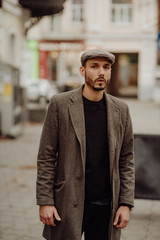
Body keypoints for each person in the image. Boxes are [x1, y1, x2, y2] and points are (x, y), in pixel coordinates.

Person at [36, 48, 135, 240]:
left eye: (106, 67)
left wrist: (125, 203)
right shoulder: (60, 104)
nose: (101, 72)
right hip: (67, 200)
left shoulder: (121, 110)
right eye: (94, 66)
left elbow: (127, 159)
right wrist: (45, 201)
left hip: (106, 205)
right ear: (82, 71)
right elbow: (46, 156)